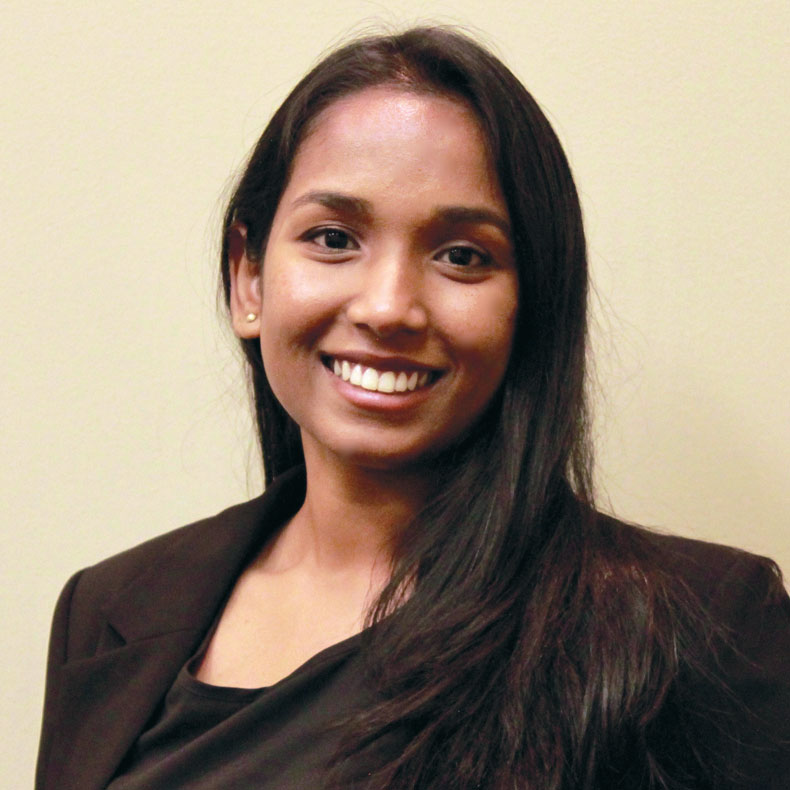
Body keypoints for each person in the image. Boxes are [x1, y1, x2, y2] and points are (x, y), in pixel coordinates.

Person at [36, 26, 790, 790]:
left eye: (462, 256)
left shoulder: (700, 629)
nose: (389, 307)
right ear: (248, 279)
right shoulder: (108, 610)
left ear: (533, 302)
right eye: (334, 238)